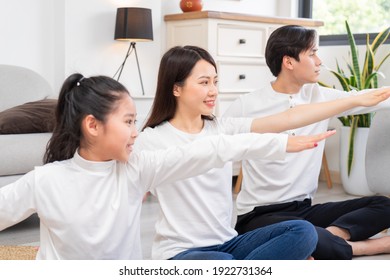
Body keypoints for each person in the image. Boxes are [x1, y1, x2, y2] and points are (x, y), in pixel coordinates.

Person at [0, 73, 329, 260]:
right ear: (93, 125)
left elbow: (209, 150)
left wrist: (280, 143)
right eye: (128, 121)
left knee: (300, 232)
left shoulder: (135, 168)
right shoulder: (45, 180)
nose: (135, 131)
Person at [135, 45, 390, 260]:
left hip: (229, 243)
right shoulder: (152, 140)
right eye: (203, 83)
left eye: (215, 81)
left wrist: (357, 100)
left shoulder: (222, 127)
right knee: (225, 262)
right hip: (182, 253)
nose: (213, 90)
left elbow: (287, 118)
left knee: (303, 232)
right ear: (175, 88)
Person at [223, 25, 390, 259]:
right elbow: (213, 147)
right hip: (258, 216)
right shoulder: (247, 105)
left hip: (304, 210)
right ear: (289, 62)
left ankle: (322, 238)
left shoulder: (320, 97)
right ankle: (371, 246)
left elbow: (372, 99)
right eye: (312, 53)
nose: (319, 60)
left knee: (384, 205)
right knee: (301, 232)